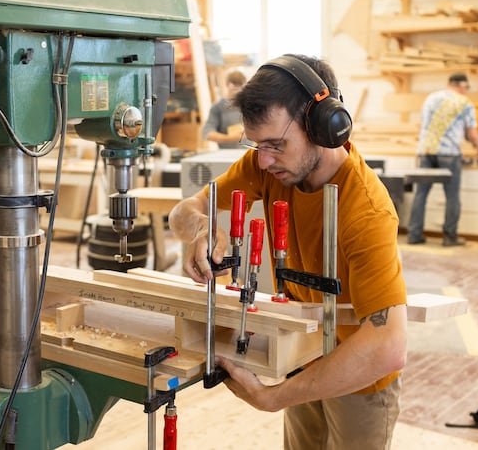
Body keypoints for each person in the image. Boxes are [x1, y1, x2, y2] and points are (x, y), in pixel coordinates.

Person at [168, 54, 407, 449]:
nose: (263, 160)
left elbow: (387, 347)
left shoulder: (366, 211)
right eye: (257, 145)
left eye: (276, 145)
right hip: (303, 352)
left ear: (323, 127)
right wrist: (202, 229)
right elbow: (184, 211)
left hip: (359, 377)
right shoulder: (269, 164)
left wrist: (271, 397)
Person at [407, 73, 478, 247]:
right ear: (462, 86)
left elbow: (422, 126)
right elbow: (472, 133)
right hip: (449, 154)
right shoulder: (464, 102)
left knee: (421, 193)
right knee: (451, 196)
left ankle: (414, 235)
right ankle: (450, 237)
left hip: (426, 151)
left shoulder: (431, 98)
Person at [201, 69, 247, 148]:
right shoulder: (218, 108)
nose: (237, 89)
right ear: (227, 84)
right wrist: (230, 138)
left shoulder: (249, 105)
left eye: (239, 85)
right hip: (227, 155)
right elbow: (207, 133)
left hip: (249, 154)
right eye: (234, 85)